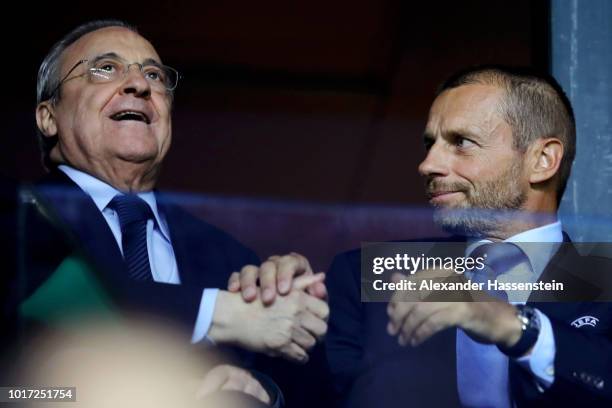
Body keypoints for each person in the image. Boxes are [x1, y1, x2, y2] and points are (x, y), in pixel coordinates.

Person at [9, 19, 331, 406]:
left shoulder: (232, 259)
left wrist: (262, 389)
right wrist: (217, 313)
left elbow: (321, 386)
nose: (139, 85)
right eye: (105, 68)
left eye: (154, 75)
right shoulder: (17, 218)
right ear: (48, 116)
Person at [318, 66, 611, 407]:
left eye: (461, 142)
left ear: (542, 160)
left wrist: (514, 326)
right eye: (430, 144)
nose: (428, 164)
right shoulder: (366, 274)